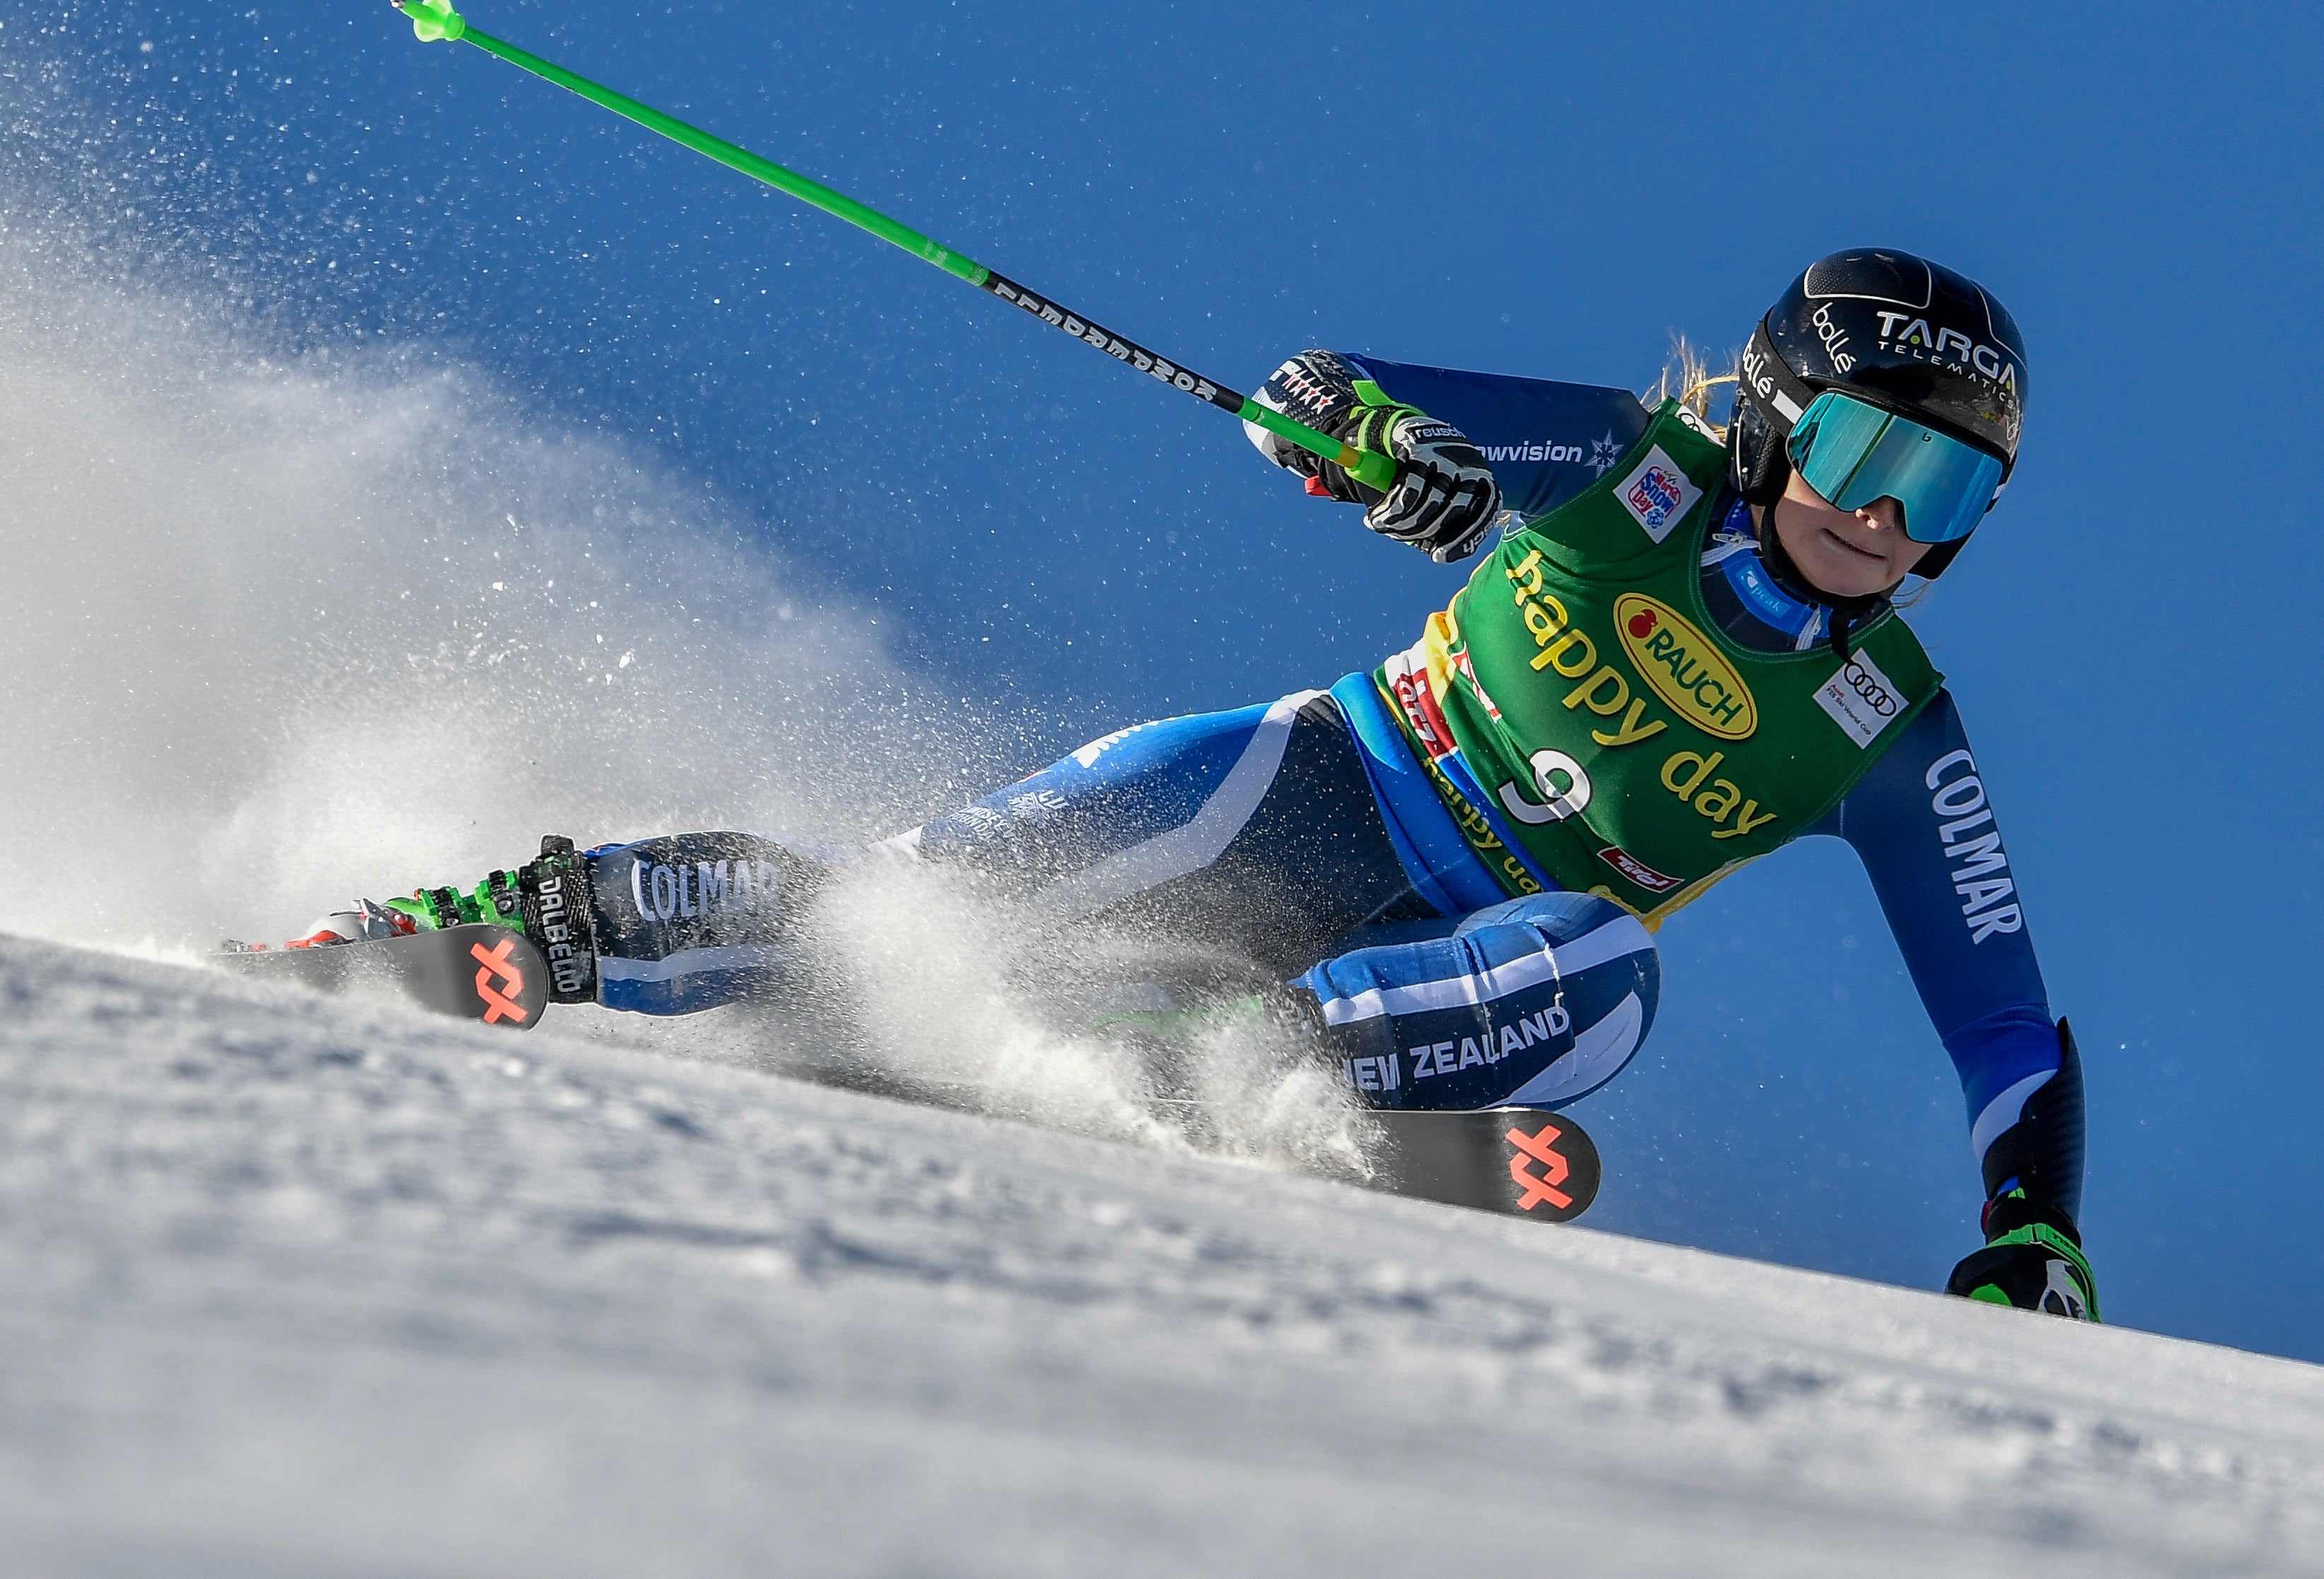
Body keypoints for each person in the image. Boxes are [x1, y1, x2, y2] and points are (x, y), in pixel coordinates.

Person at [279, 247, 2095, 1320]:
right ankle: (522, 926)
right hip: (1309, 782)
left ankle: (1227, 1071)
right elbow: (1317, 388)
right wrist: (1394, 458)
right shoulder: (1632, 471)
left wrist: (2034, 1232)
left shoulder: (1886, 721)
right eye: (1863, 452)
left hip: (1452, 965)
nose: (1880, 516)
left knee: (1612, 977)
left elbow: (2006, 1025)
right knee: (912, 902)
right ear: (1774, 417)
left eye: (1942, 496)